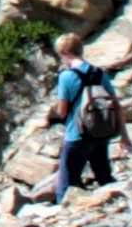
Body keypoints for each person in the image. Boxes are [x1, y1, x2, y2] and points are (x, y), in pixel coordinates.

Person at [47, 36, 121, 204]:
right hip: (99, 133)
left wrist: (55, 113)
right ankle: (118, 203)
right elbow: (115, 105)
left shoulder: (66, 76)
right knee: (104, 176)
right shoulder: (99, 73)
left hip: (76, 135)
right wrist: (125, 136)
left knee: (66, 185)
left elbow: (62, 111)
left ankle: (64, 212)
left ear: (65, 53)